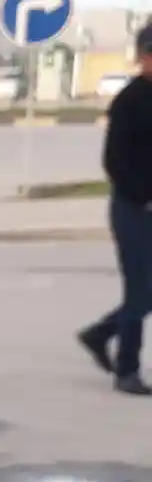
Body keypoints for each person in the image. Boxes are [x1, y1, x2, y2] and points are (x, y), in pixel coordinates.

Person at [79, 23, 152, 394]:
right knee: (141, 292)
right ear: (143, 57)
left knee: (146, 293)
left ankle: (100, 333)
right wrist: (143, 196)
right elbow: (114, 162)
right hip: (132, 209)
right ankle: (127, 370)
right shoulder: (129, 101)